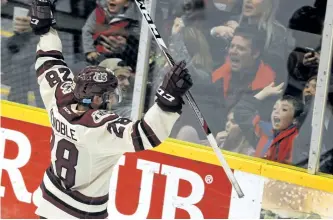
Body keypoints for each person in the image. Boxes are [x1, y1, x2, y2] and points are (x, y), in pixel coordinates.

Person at [29, 0, 193, 218]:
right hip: (80, 212)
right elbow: (146, 134)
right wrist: (167, 101)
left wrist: (46, 29)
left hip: (49, 201)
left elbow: (49, 60)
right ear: (97, 99)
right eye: (108, 95)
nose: (112, 100)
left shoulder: (60, 97)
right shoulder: (99, 128)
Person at [233, 83, 304, 164]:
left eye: (284, 109)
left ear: (295, 119)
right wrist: (264, 93)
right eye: (274, 108)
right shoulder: (264, 131)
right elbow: (241, 113)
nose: (276, 112)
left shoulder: (297, 141)